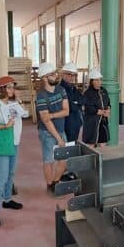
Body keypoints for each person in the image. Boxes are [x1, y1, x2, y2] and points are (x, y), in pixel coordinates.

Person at [0, 76, 27, 227]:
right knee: (2, 176)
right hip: (2, 143)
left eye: (13, 87)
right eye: (8, 87)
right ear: (1, 89)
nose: (12, 90)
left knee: (11, 173)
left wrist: (20, 101)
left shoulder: (13, 103)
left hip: (14, 142)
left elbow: (25, 114)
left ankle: (7, 200)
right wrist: (4, 126)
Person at [36, 62, 69, 192]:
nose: (56, 76)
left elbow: (66, 111)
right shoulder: (41, 96)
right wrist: (59, 138)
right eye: (53, 74)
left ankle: (56, 181)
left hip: (61, 129)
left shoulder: (61, 90)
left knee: (64, 158)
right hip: (47, 132)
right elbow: (45, 120)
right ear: (45, 77)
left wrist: (52, 115)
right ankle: (50, 185)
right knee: (49, 160)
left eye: (56, 73)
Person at [82, 68, 110, 147]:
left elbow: (108, 102)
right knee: (92, 143)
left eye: (100, 80)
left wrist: (108, 109)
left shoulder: (104, 91)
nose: (99, 82)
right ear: (92, 82)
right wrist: (102, 112)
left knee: (103, 142)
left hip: (103, 121)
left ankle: (103, 159)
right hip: (92, 122)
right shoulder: (88, 93)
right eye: (96, 80)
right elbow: (88, 108)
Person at [59, 63, 83, 143]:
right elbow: (71, 107)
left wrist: (76, 103)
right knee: (69, 146)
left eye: (74, 75)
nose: (72, 77)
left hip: (75, 121)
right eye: (69, 74)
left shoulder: (73, 87)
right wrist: (76, 104)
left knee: (73, 143)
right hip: (67, 123)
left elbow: (81, 101)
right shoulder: (61, 89)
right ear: (63, 74)